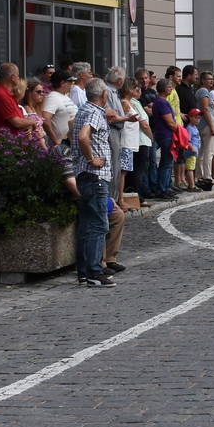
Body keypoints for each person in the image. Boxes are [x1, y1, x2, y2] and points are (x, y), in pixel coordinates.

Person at [68, 78, 118, 287]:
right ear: (103, 94)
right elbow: (82, 136)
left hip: (86, 175)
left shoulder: (83, 109)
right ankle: (94, 272)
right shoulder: (94, 112)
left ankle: (84, 272)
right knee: (98, 224)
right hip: (94, 175)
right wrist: (91, 159)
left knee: (87, 225)